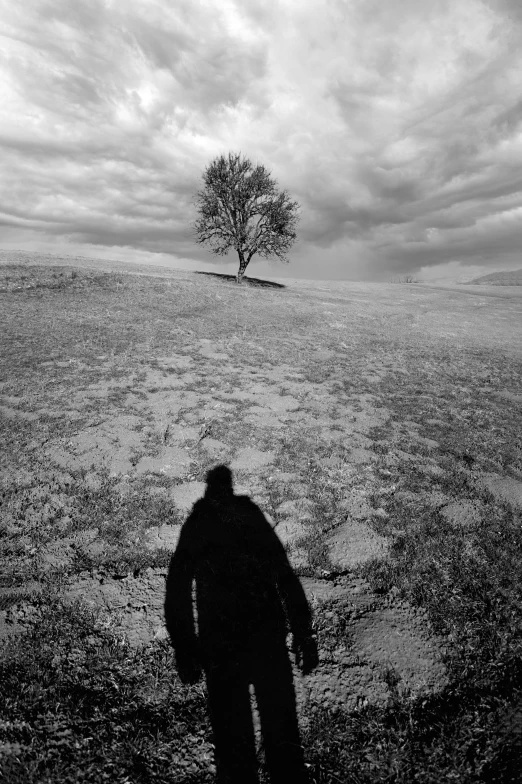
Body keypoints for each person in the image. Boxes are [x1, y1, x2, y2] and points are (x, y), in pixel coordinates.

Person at [164, 464, 318, 784]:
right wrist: (302, 631)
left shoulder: (200, 519)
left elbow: (179, 582)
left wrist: (185, 646)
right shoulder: (247, 513)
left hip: (224, 635)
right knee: (275, 732)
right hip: (258, 634)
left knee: (240, 735)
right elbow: (282, 568)